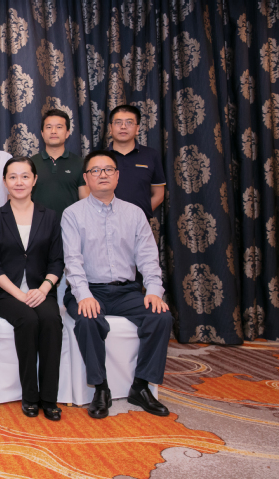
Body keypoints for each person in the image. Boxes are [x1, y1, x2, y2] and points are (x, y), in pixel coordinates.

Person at [61, 150, 173, 420]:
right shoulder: (72, 214)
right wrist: (84, 295)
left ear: (117, 175)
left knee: (161, 316)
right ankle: (101, 388)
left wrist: (154, 291)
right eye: (95, 170)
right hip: (89, 289)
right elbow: (72, 261)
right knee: (88, 319)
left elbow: (148, 257)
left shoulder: (134, 214)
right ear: (86, 178)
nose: (102, 175)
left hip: (126, 291)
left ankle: (141, 386)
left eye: (108, 169)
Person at [0, 157, 64, 421]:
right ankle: (30, 395)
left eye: (25, 176)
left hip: (42, 290)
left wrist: (44, 288)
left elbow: (57, 261)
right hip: (6, 293)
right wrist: (19, 294)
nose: (19, 182)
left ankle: (49, 398)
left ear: (34, 180)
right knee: (28, 320)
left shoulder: (49, 216)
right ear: (5, 182)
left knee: (51, 321)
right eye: (13, 177)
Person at [107, 105, 166, 220]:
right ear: (110, 128)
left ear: (137, 128)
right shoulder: (100, 157)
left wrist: (138, 217)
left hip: (140, 224)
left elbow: (159, 195)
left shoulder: (151, 155)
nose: (123, 127)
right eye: (118, 122)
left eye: (129, 122)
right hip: (106, 223)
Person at [29, 109, 89, 218]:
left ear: (67, 133)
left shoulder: (80, 163)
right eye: (48, 127)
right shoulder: (30, 164)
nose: (53, 131)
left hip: (71, 224)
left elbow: (85, 200)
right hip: (38, 225)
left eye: (59, 127)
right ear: (42, 133)